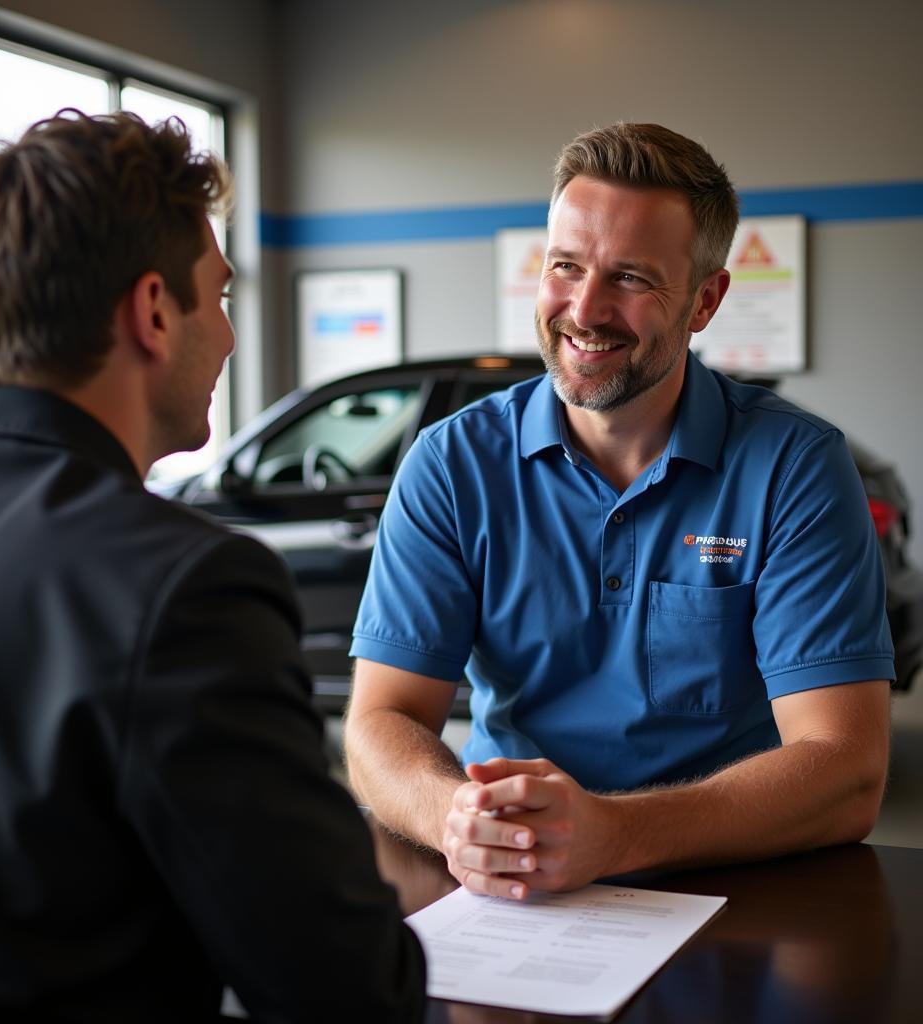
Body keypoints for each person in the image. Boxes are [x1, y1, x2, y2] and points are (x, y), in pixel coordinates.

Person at [0, 110, 424, 1022]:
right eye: (217, 299)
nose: (225, 338)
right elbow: (342, 985)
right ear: (150, 312)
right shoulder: (185, 589)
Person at [344, 122, 893, 902]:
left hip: (729, 887)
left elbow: (845, 769)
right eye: (565, 266)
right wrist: (456, 816)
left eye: (631, 278)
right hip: (511, 879)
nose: (585, 309)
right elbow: (378, 724)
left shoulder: (792, 467)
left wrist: (615, 835)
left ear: (705, 300)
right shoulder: (453, 463)